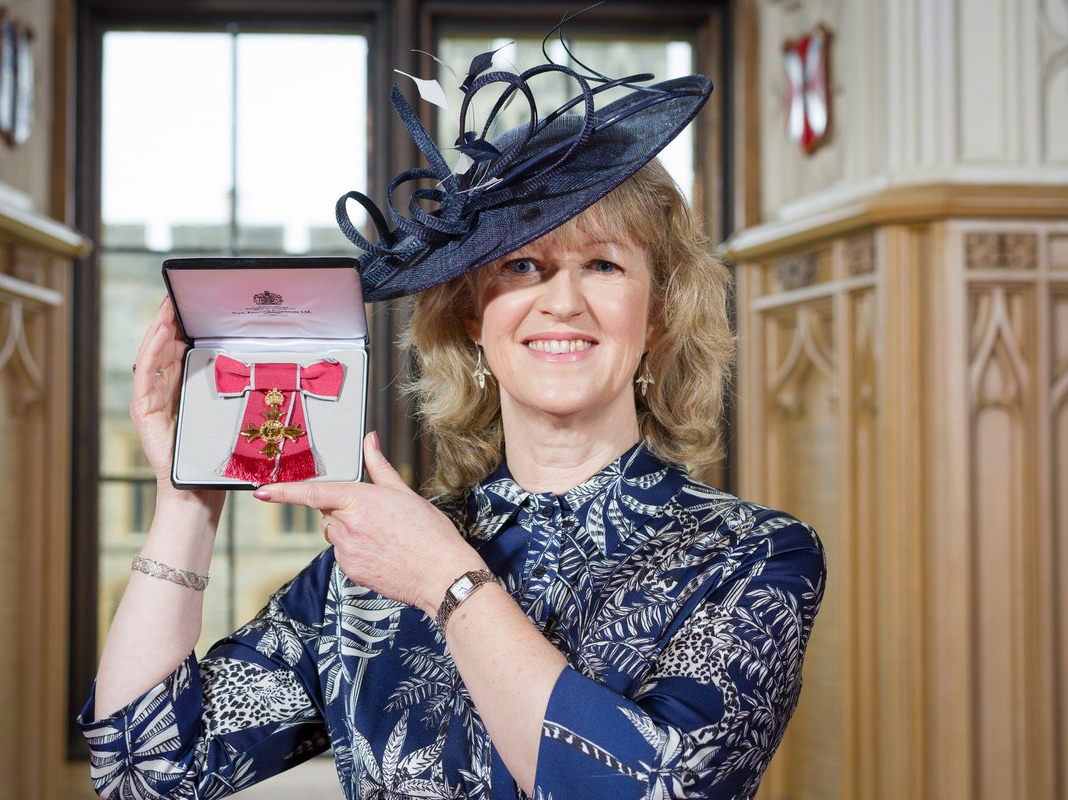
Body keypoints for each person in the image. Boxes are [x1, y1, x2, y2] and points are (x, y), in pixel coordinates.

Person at [80, 41, 825, 800]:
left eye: (602, 265)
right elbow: (144, 774)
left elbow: (658, 789)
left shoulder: (754, 557)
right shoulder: (369, 567)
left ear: (659, 312)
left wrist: (448, 580)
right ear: (472, 316)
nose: (562, 302)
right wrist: (186, 500)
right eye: (521, 266)